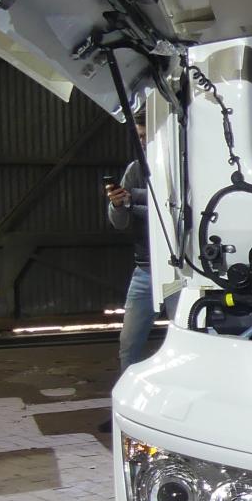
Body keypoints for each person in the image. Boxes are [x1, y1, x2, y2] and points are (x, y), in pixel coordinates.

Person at [106, 110, 158, 377]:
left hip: (178, 272)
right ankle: (128, 397)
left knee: (193, 337)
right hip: (145, 269)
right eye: (138, 137)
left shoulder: (180, 165)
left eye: (145, 136)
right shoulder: (135, 169)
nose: (142, 143)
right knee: (129, 343)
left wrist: (133, 198)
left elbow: (172, 205)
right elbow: (120, 222)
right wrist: (118, 204)